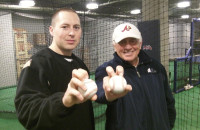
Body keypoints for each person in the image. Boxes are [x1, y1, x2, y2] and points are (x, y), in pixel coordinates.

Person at [14, 8, 97, 130]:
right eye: (65, 27)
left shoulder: (80, 64)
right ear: (51, 30)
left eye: (76, 27)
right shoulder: (37, 64)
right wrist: (63, 101)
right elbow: (26, 112)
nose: (72, 33)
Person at [95, 23, 176, 130]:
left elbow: (169, 101)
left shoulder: (156, 67)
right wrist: (107, 94)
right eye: (122, 42)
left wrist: (167, 126)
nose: (128, 47)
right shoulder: (107, 70)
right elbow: (101, 92)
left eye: (133, 41)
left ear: (140, 43)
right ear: (114, 45)